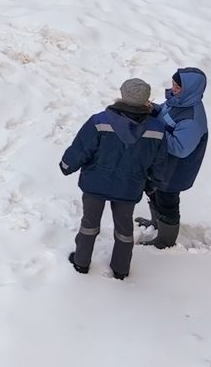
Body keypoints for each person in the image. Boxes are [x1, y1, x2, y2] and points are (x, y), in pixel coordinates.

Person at [59, 77, 170, 280]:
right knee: (124, 228)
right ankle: (120, 268)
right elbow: (159, 162)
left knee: (89, 223)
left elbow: (81, 149)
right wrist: (153, 183)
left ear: (123, 94)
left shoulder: (99, 122)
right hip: (129, 187)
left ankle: (81, 262)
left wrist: (67, 165)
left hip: (95, 183)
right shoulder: (157, 129)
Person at [139, 67, 209, 250]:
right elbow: (164, 114)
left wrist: (154, 131)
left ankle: (165, 240)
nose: (173, 88)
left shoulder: (192, 119)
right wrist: (152, 109)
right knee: (153, 192)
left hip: (175, 171)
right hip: (162, 164)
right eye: (173, 84)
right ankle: (156, 222)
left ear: (190, 89)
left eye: (177, 86)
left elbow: (180, 149)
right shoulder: (178, 101)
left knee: (167, 202)